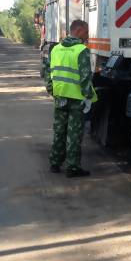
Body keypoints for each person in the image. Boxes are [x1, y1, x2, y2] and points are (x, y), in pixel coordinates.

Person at [46, 19, 97, 177]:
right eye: (86, 32)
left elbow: (48, 72)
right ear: (79, 30)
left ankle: (55, 162)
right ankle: (72, 167)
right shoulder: (82, 50)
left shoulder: (56, 49)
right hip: (76, 98)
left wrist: (52, 90)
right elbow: (85, 77)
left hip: (60, 96)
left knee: (59, 130)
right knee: (74, 133)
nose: (87, 35)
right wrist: (88, 97)